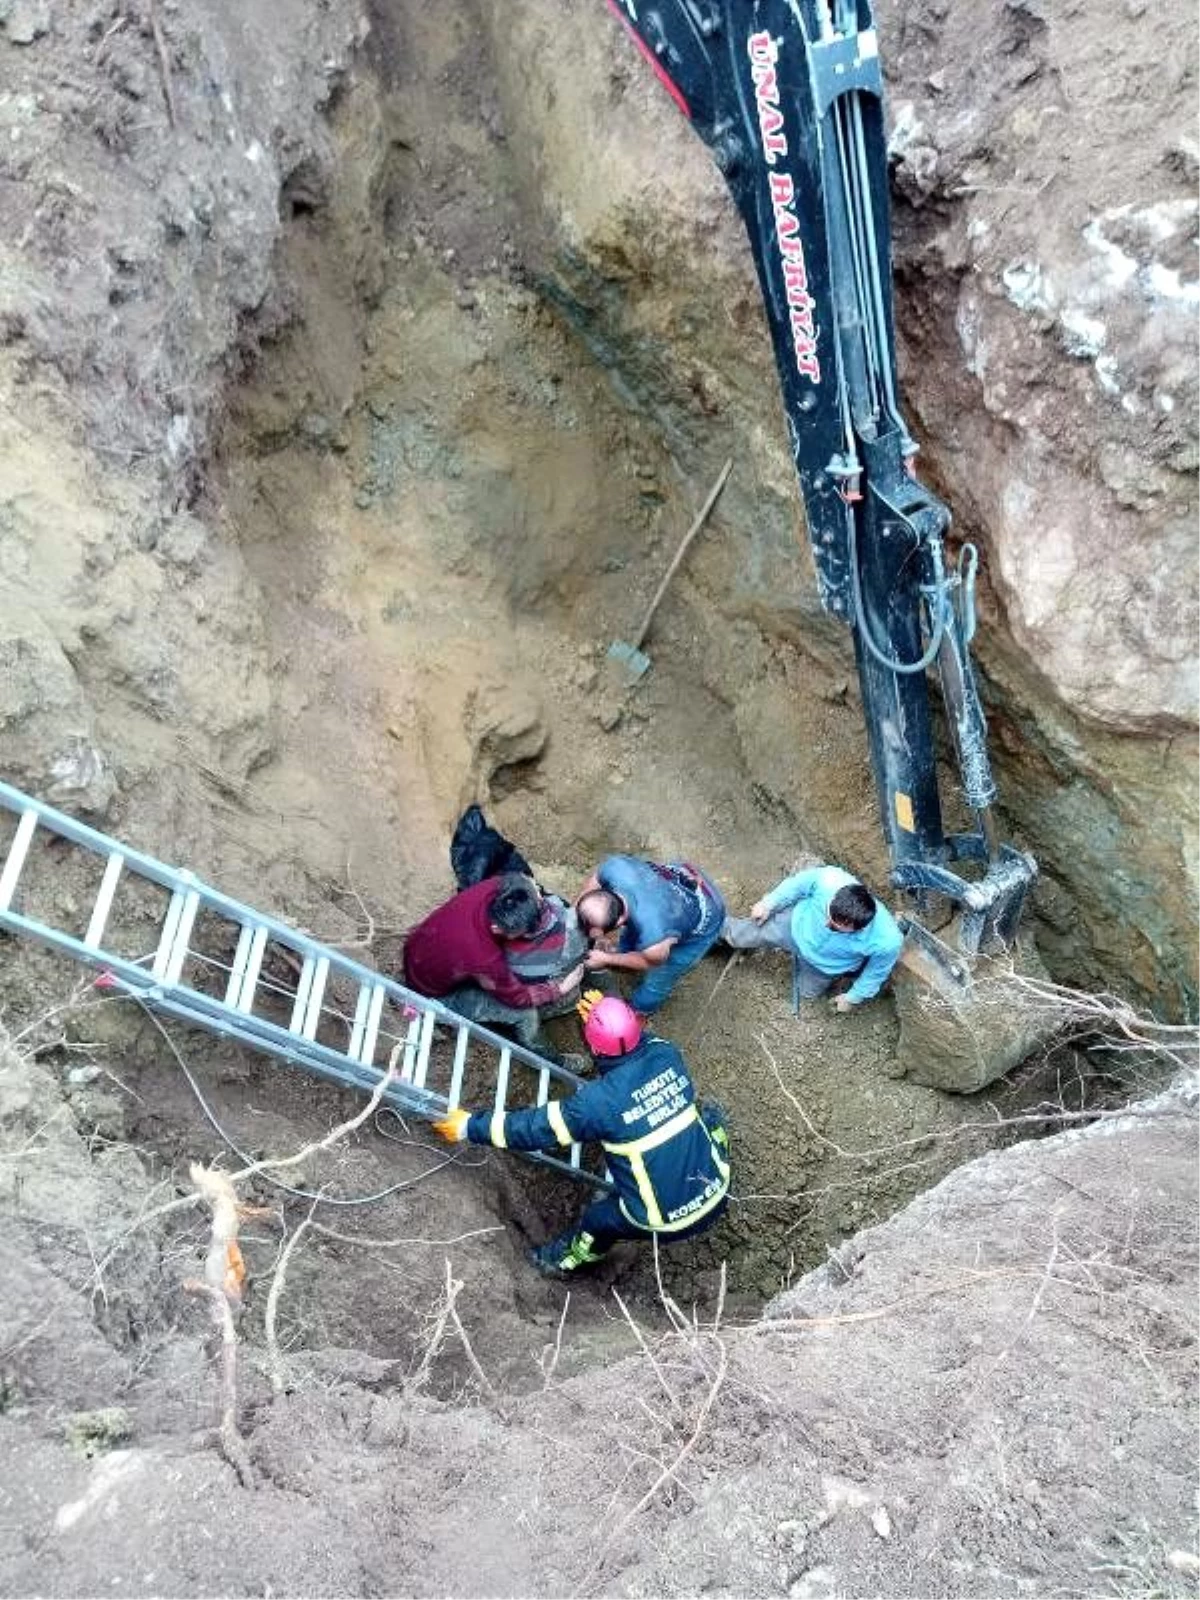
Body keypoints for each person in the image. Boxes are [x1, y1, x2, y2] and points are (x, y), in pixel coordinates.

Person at [431, 993, 730, 1277]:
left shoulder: (597, 1103)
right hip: (717, 1186)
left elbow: (535, 1128)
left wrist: (470, 1127)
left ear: (595, 1048)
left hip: (666, 1219)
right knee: (707, 1122)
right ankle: (716, 1127)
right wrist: (612, 1019)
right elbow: (643, 1048)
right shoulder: (667, 1054)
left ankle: (562, 1260)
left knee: (597, 1221)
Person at [401, 873, 585, 1058]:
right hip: (429, 992)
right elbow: (516, 997)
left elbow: (525, 882)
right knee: (526, 1014)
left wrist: (533, 892)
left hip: (419, 948)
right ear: (497, 928)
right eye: (522, 933)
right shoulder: (484, 958)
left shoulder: (496, 885)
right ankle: (551, 1060)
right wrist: (559, 989)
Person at [723, 863, 903, 1011]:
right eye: (829, 916)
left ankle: (809, 978)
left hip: (824, 965)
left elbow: (876, 973)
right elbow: (796, 885)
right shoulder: (830, 880)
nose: (827, 925)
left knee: (807, 994)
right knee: (741, 934)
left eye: (836, 928)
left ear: (859, 927)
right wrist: (768, 904)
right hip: (795, 927)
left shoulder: (887, 941)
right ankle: (713, 931)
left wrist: (853, 997)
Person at [574, 855, 726, 1016]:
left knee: (660, 977)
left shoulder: (655, 941)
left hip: (707, 909)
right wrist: (596, 934)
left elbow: (650, 962)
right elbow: (584, 900)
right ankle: (626, 961)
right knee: (634, 939)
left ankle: (641, 1010)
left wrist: (606, 959)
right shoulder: (614, 868)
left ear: (619, 921)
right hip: (675, 880)